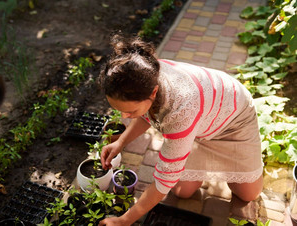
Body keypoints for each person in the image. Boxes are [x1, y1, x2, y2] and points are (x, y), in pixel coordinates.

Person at [98, 34, 263, 226]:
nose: (125, 117)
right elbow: (146, 114)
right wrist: (120, 142)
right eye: (120, 110)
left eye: (130, 111)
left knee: (249, 195)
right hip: (199, 120)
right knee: (181, 193)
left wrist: (124, 220)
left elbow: (163, 181)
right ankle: (192, 141)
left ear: (153, 93)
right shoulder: (144, 74)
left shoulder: (180, 112)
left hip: (234, 120)